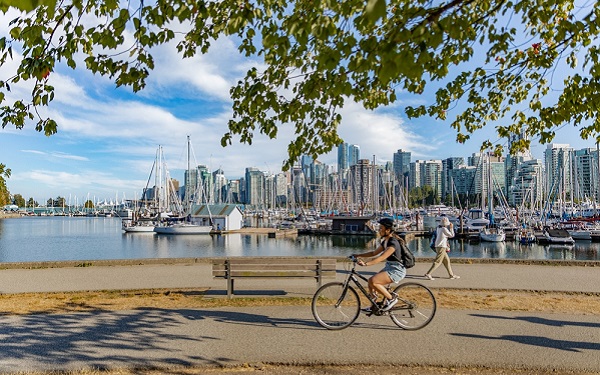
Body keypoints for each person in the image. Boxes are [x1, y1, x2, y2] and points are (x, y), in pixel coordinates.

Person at [352, 217, 406, 312]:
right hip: (390, 267)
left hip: (397, 270)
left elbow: (382, 257)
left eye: (381, 228)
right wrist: (358, 255)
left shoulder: (393, 243)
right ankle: (375, 305)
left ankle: (391, 299)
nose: (379, 230)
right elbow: (374, 253)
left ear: (388, 230)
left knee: (374, 281)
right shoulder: (385, 241)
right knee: (370, 282)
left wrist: (366, 264)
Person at [425, 216, 460, 280]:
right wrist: (451, 228)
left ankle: (451, 275)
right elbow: (452, 235)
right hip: (441, 247)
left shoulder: (438, 228)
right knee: (438, 261)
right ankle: (428, 273)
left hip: (438, 246)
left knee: (447, 261)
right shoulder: (444, 229)